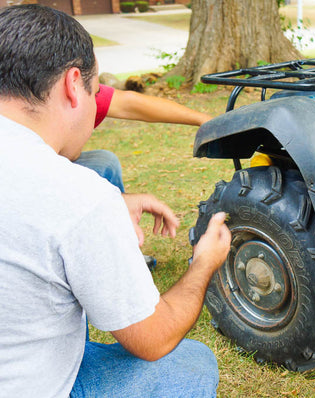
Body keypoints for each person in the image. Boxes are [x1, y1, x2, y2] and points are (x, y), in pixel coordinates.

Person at [0, 4, 231, 398]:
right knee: (190, 365)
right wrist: (204, 262)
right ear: (75, 85)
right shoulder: (76, 195)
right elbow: (153, 340)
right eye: (94, 92)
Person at [77, 83, 213, 193]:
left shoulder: (82, 94)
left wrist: (204, 120)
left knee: (105, 162)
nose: (97, 91)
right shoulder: (78, 96)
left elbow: (128, 104)